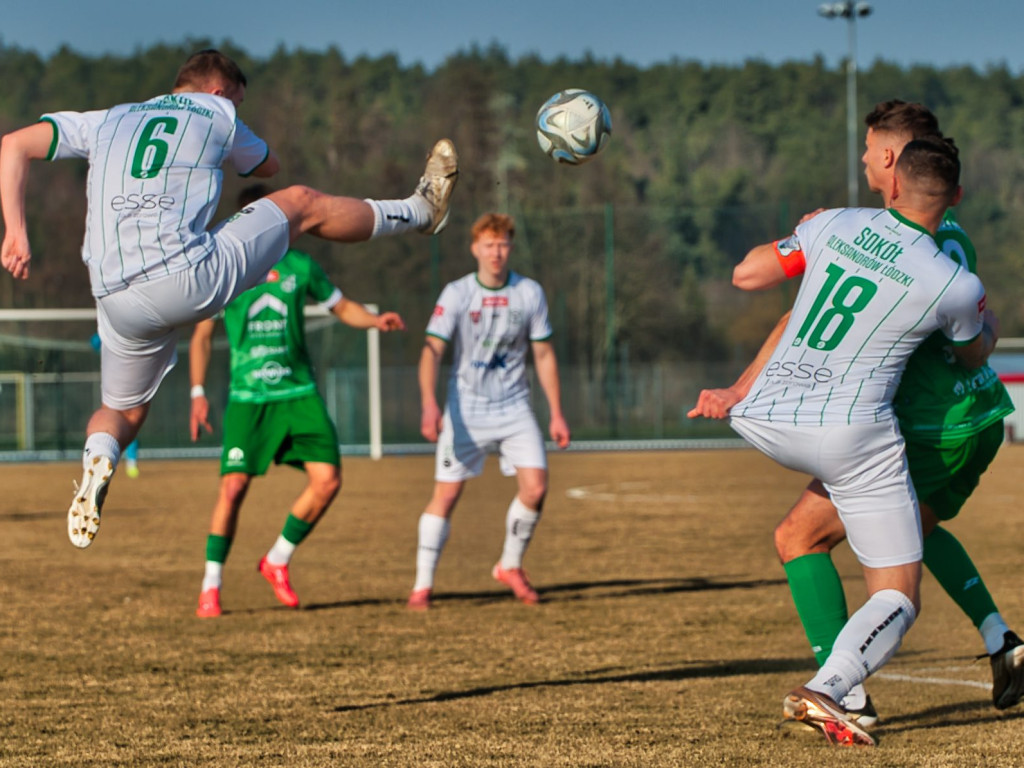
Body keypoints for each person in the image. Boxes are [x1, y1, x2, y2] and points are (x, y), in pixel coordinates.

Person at [0, 49, 458, 549]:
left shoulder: (109, 119)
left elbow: (13, 145)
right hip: (186, 278)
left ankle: (99, 454)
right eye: (237, 100)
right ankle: (421, 211)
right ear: (220, 93)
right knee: (301, 203)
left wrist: (17, 232)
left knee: (122, 411)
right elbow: (268, 164)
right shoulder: (217, 112)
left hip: (114, 295)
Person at [690, 101, 1023, 720]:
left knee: (821, 543)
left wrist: (739, 390)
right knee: (897, 547)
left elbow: (761, 285)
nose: (864, 156)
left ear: (893, 169)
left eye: (870, 149)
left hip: (909, 423)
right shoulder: (954, 260)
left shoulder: (836, 223)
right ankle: (988, 640)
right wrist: (988, 327)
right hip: (958, 417)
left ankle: (845, 688)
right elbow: (971, 350)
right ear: (956, 191)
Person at [189, 184, 406, 618]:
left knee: (328, 480)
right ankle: (211, 585)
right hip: (249, 399)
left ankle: (277, 560)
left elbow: (341, 307)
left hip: (299, 393)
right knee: (232, 489)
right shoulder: (227, 266)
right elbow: (201, 335)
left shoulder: (300, 266)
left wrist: (373, 320)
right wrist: (197, 393)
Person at [406, 212, 571, 610]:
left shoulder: (529, 292)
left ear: (510, 248)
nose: (496, 252)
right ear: (474, 248)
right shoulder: (457, 293)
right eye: (488, 245)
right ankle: (422, 586)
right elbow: (432, 351)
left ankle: (510, 565)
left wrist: (557, 412)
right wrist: (430, 404)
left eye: (503, 245)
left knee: (536, 487)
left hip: (515, 406)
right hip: (467, 409)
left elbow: (544, 354)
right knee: (446, 495)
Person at [90, 331, 141, 478]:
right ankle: (126, 461)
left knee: (111, 422)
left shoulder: (108, 331)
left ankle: (102, 459)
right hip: (126, 383)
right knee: (129, 422)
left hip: (113, 384)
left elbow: (94, 342)